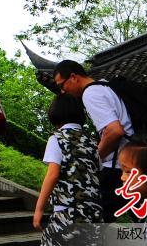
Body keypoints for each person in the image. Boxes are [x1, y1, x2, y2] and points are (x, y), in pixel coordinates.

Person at [53, 59, 134, 222]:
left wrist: (94, 159)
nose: (62, 91)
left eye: (62, 85)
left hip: (118, 168)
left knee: (94, 218)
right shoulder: (105, 86)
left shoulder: (90, 94)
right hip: (132, 162)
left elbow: (114, 131)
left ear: (74, 77)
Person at [33, 94, 102, 246]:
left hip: (68, 210)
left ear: (55, 113)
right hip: (94, 212)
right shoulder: (91, 142)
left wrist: (39, 209)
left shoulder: (57, 138)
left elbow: (52, 175)